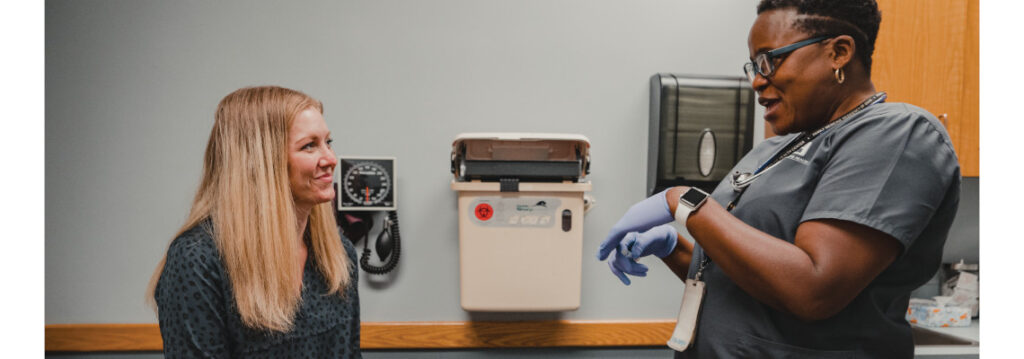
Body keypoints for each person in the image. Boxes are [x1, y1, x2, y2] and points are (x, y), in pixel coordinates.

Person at [597, 1, 961, 358]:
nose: (758, 80)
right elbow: (747, 282)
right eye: (754, 65)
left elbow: (813, 288)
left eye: (771, 60)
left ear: (838, 52)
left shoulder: (898, 133)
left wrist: (684, 201)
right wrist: (674, 248)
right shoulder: (776, 148)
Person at [147, 86, 361, 358]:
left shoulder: (338, 254)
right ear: (260, 163)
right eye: (309, 146)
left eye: (328, 142)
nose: (330, 159)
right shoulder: (198, 261)